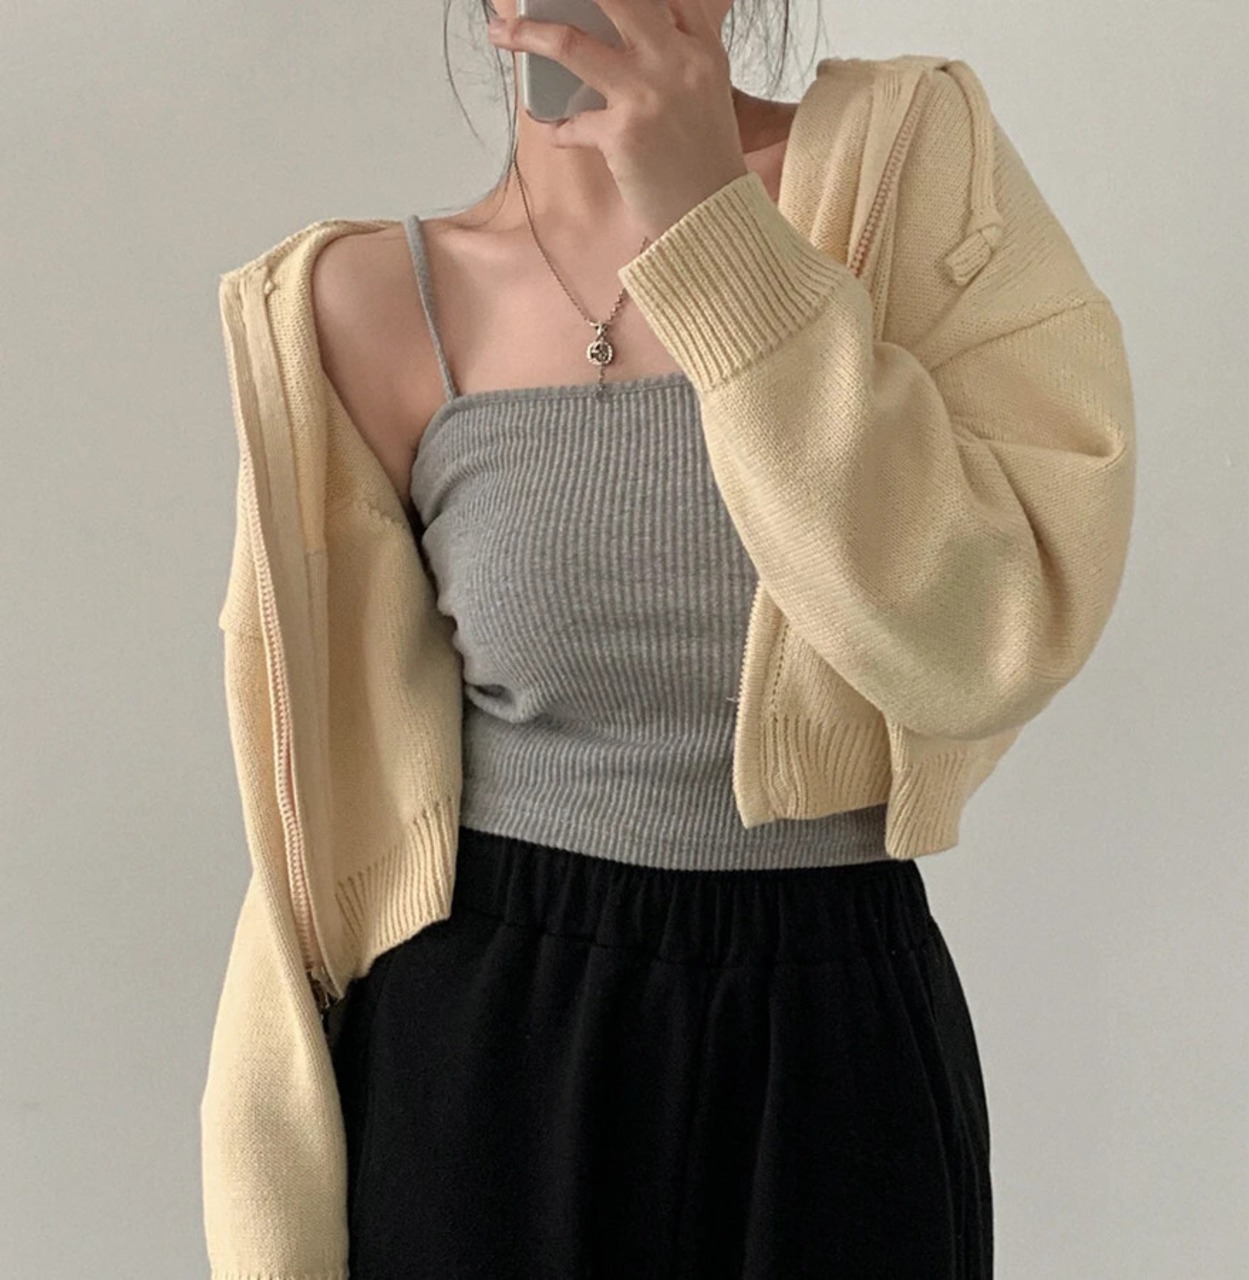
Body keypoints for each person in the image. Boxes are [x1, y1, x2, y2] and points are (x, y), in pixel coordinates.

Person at [200, 2, 1137, 1277]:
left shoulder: (909, 168)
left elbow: (982, 644)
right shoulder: (360, 306)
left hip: (832, 1037)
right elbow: (313, 837)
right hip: (487, 1046)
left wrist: (712, 227)